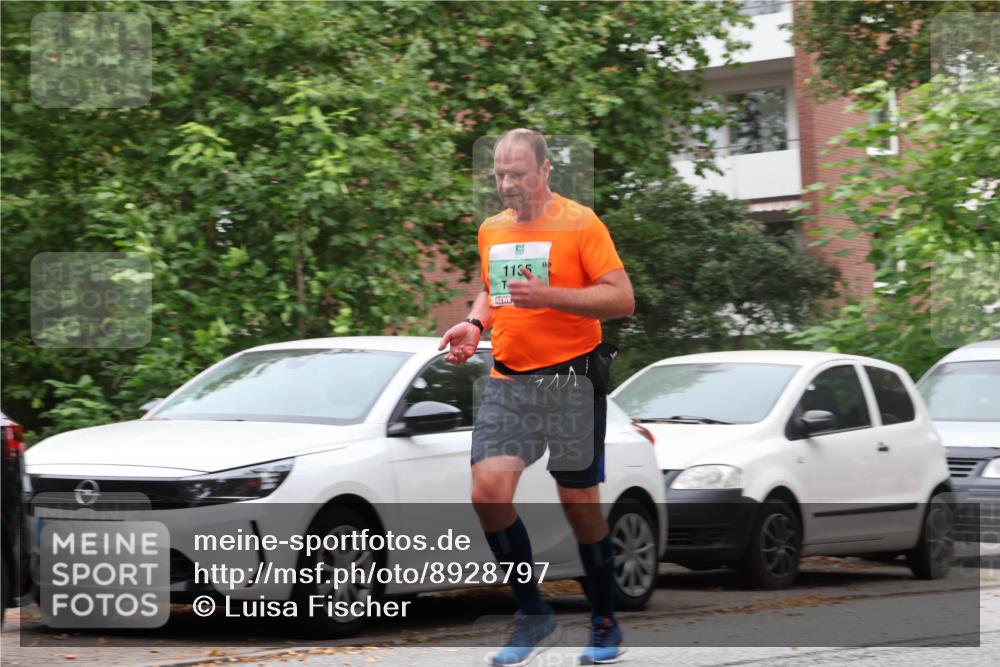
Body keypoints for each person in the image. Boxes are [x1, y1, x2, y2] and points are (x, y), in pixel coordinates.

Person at [438, 129, 635, 666]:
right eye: (500, 175)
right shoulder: (492, 230)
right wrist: (475, 322)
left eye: (518, 174)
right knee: (488, 493)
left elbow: (621, 298)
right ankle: (532, 612)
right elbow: (493, 292)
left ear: (546, 171)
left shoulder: (580, 223)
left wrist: (550, 295)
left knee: (580, 507)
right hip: (509, 380)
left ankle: (603, 617)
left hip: (572, 381)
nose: (508, 184)